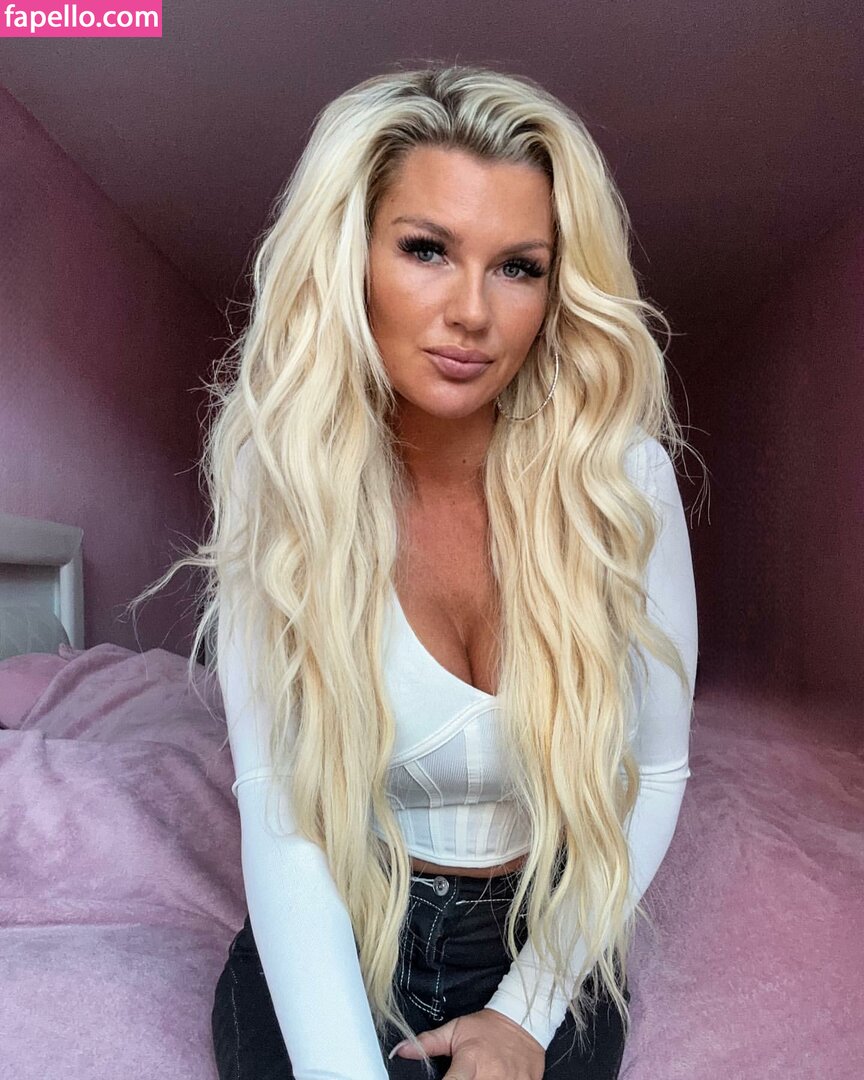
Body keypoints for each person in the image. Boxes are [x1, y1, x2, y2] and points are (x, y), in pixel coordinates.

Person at [154, 64, 700, 1080]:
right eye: (426, 250)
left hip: (541, 935)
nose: (472, 312)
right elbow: (283, 808)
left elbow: (659, 770)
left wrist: (528, 1013)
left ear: (556, 290)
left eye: (519, 267)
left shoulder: (620, 479)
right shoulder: (284, 477)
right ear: (352, 256)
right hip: (344, 916)